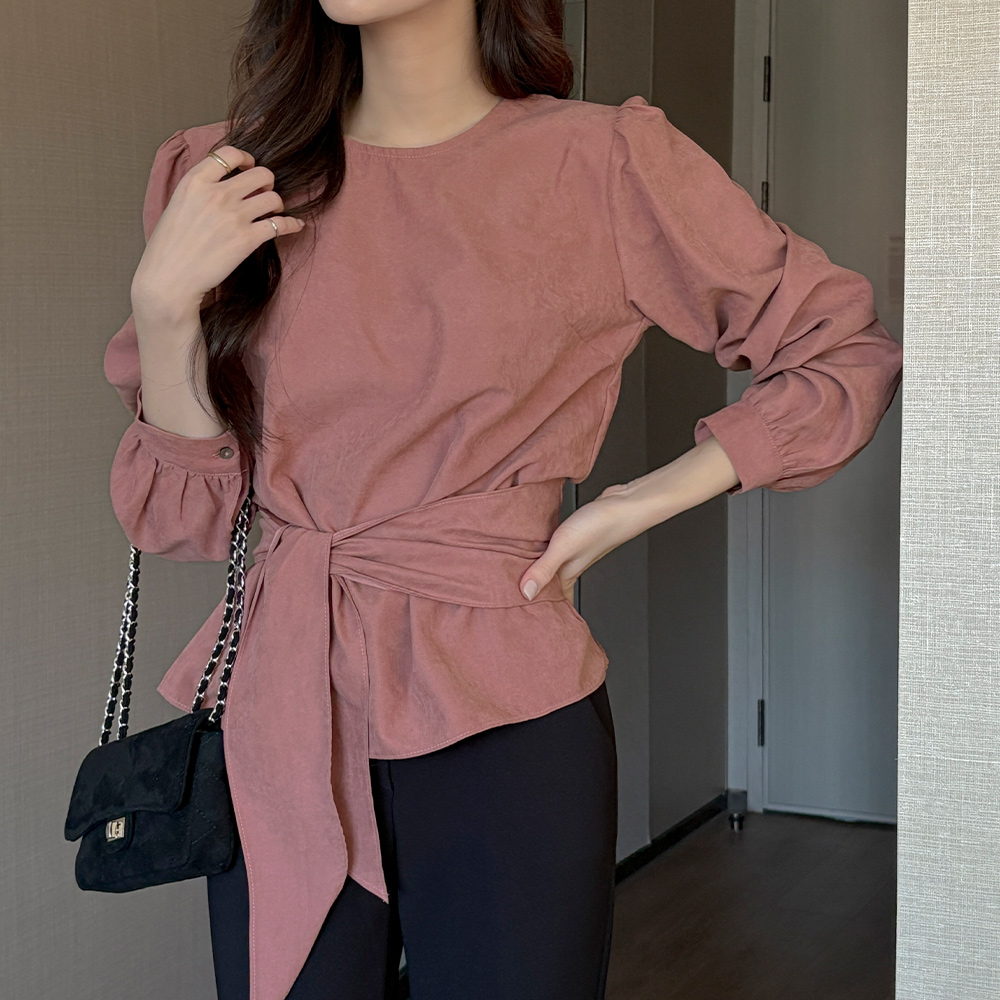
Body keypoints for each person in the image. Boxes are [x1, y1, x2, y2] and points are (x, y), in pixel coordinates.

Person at [101, 1, 903, 998]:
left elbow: (841, 350)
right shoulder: (222, 174)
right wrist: (163, 312)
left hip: (501, 698)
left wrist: (640, 500)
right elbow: (183, 520)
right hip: (279, 701)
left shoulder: (601, 164)